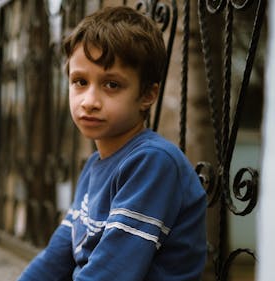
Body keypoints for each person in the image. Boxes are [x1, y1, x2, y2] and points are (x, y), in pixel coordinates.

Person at [17, 6, 206, 281]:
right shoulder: (95, 165)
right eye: (80, 82)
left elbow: (111, 273)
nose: (89, 101)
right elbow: (56, 257)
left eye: (111, 85)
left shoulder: (153, 163)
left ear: (147, 95)